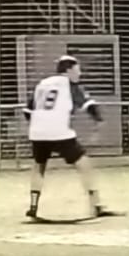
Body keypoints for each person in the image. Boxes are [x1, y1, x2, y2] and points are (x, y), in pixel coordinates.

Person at [24, 55, 119, 222]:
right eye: (77, 69)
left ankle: (33, 208)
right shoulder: (69, 85)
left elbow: (27, 111)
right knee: (84, 164)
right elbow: (89, 105)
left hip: (37, 131)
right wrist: (99, 121)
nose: (79, 73)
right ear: (68, 70)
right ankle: (96, 206)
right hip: (59, 131)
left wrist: (40, 124)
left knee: (39, 166)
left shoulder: (42, 84)